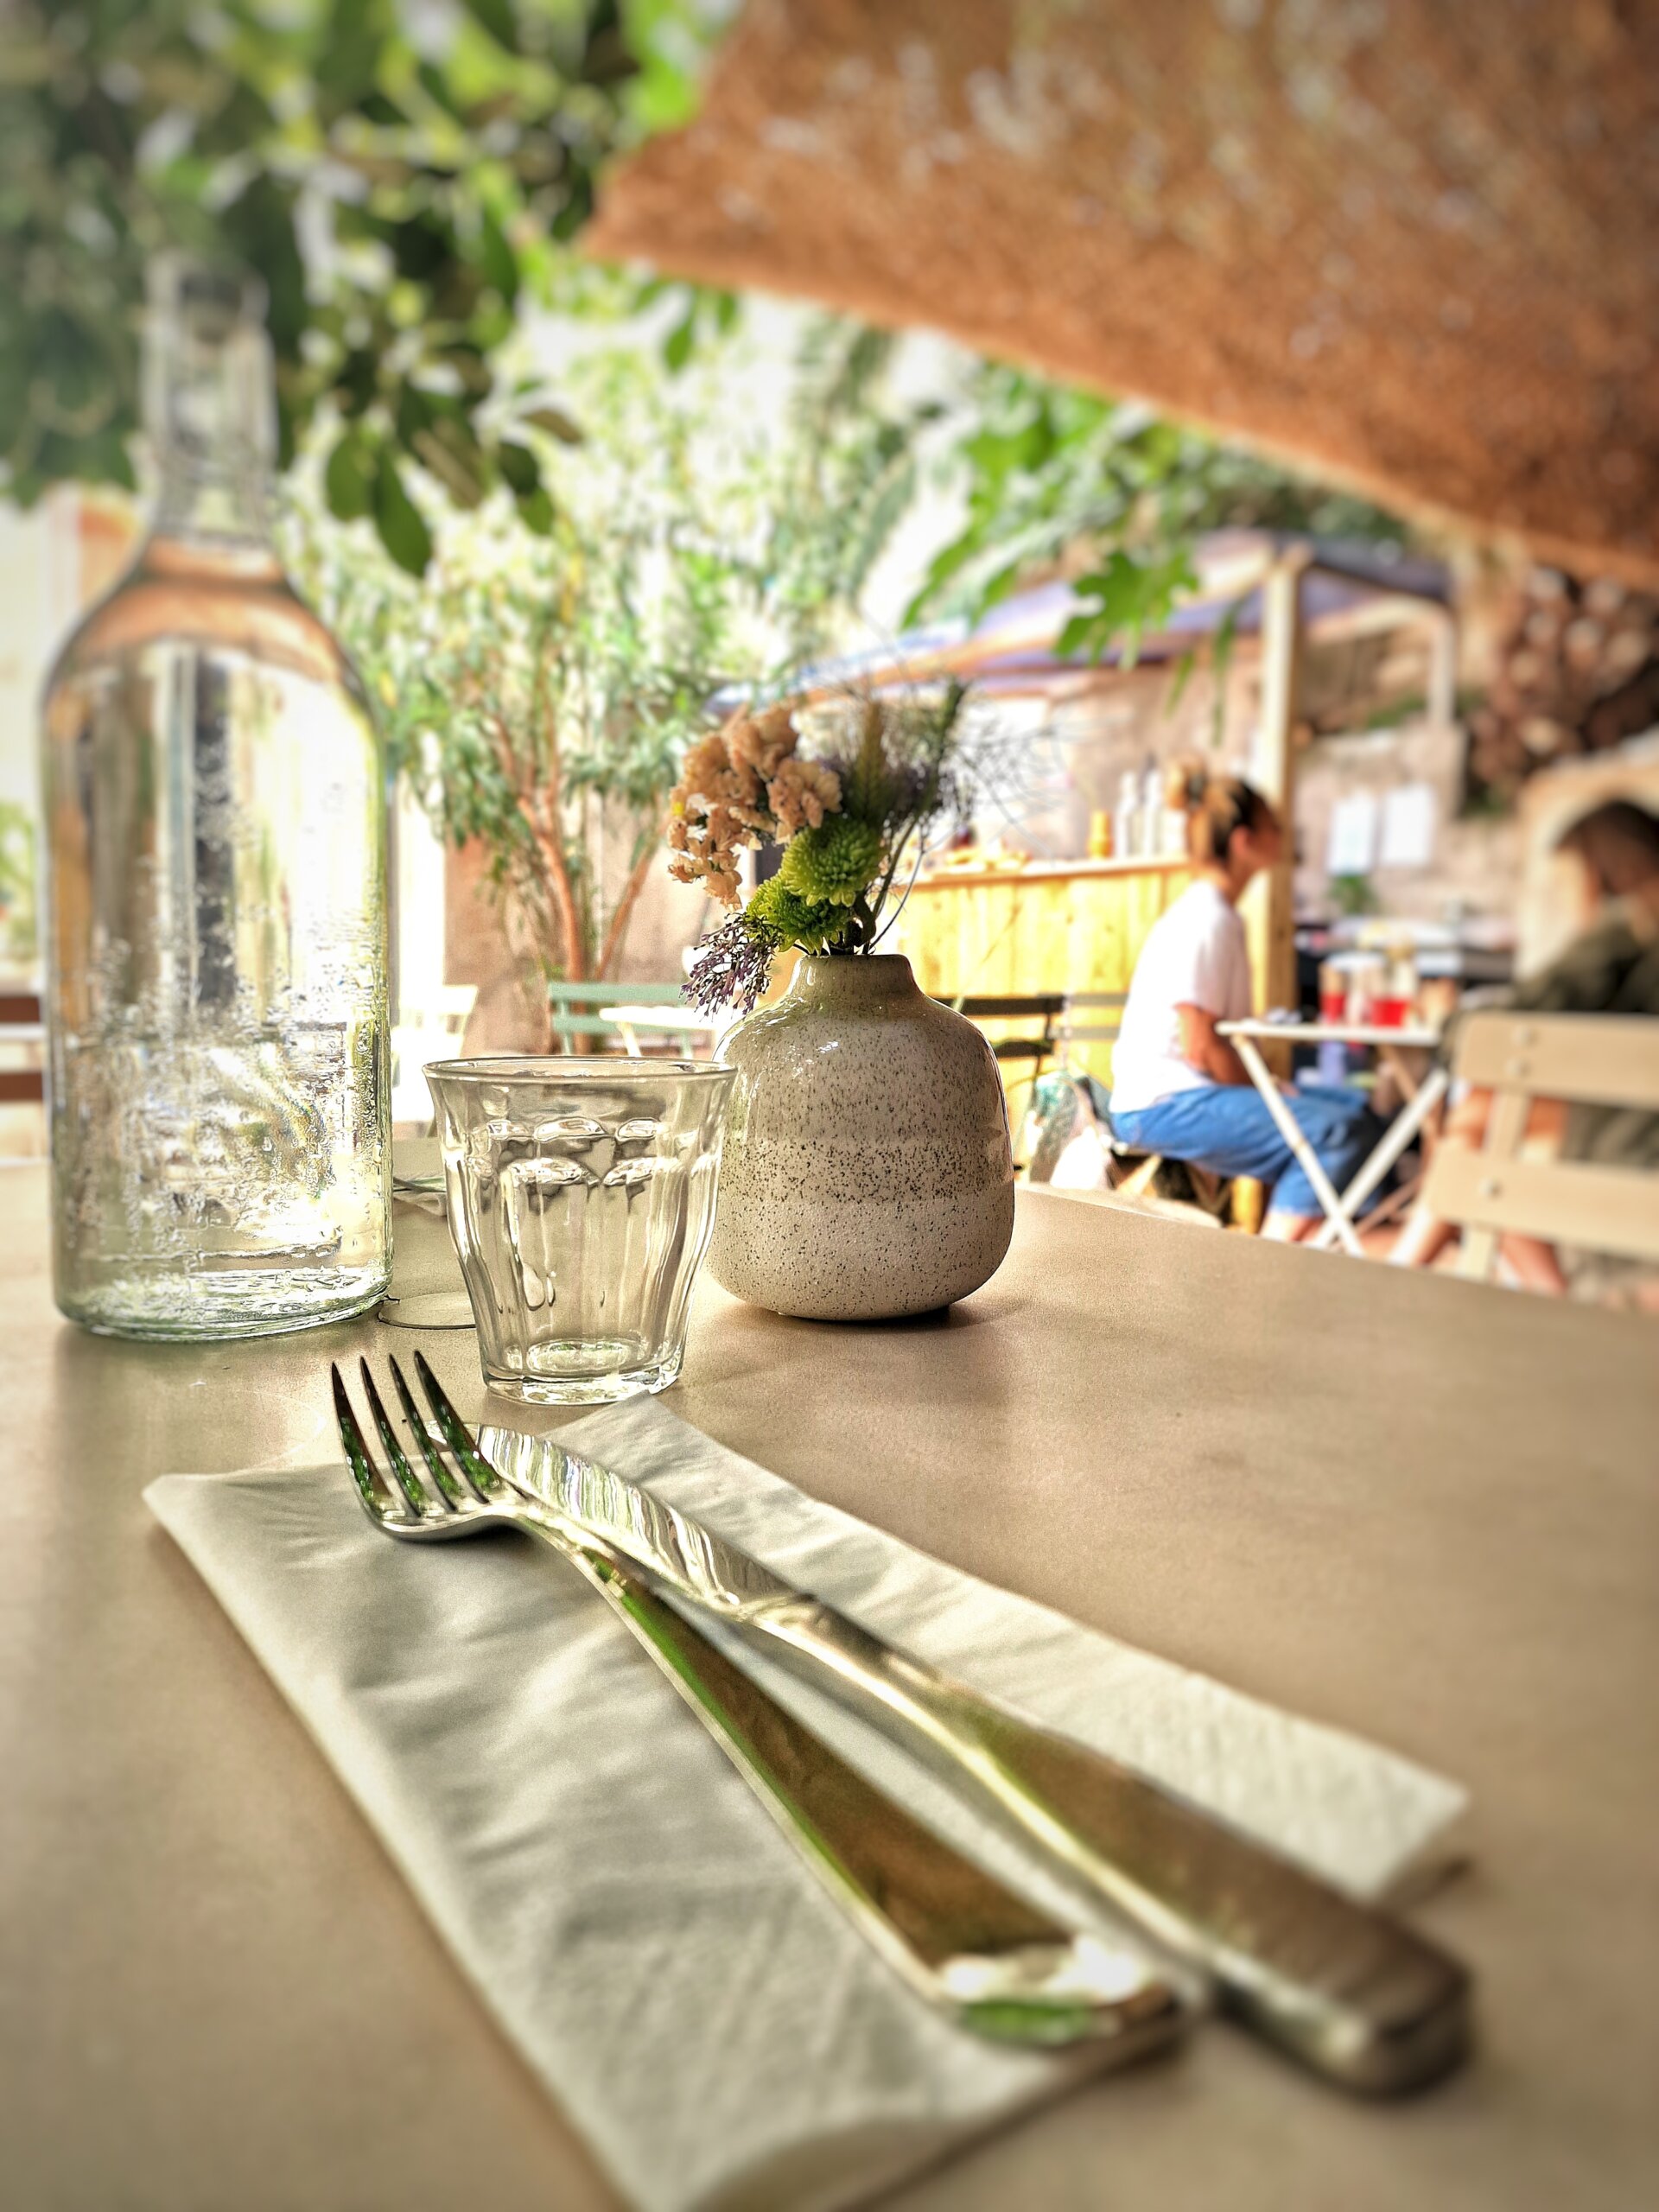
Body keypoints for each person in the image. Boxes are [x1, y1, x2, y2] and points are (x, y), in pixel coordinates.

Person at [1391, 798, 1659, 1289]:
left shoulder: (1625, 938)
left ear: (1599, 877)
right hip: (1631, 1143)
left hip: (1634, 1165)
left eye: (1564, 885)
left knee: (1478, 1125)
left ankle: (1403, 1278)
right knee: (1485, 1123)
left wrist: (1445, 1018)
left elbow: (1498, 1039)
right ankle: (1547, 1298)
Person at [1109, 762, 1382, 1241]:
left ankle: (1317, 1253)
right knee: (1333, 1133)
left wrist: (1273, 1088)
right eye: (1273, 826)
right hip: (1163, 1102)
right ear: (1243, 841)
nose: (1282, 835)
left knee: (1358, 1112)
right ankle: (1269, 1268)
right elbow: (1200, 1046)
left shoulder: (1220, 917)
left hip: (1189, 1092)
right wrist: (1268, 1092)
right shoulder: (1206, 919)